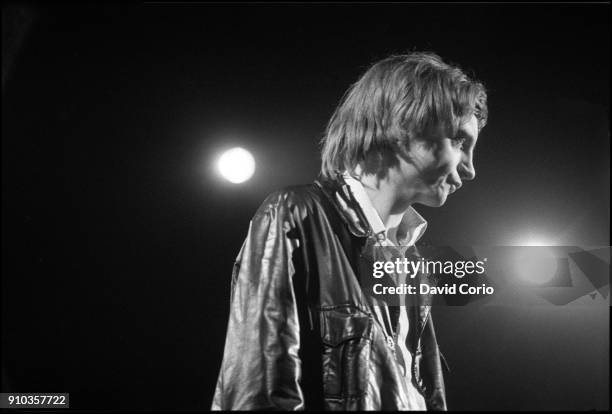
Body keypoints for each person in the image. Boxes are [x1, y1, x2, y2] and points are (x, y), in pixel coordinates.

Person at [211, 52, 488, 411]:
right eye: (461, 142)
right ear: (404, 123)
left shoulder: (415, 267)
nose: (470, 170)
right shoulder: (296, 216)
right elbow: (257, 392)